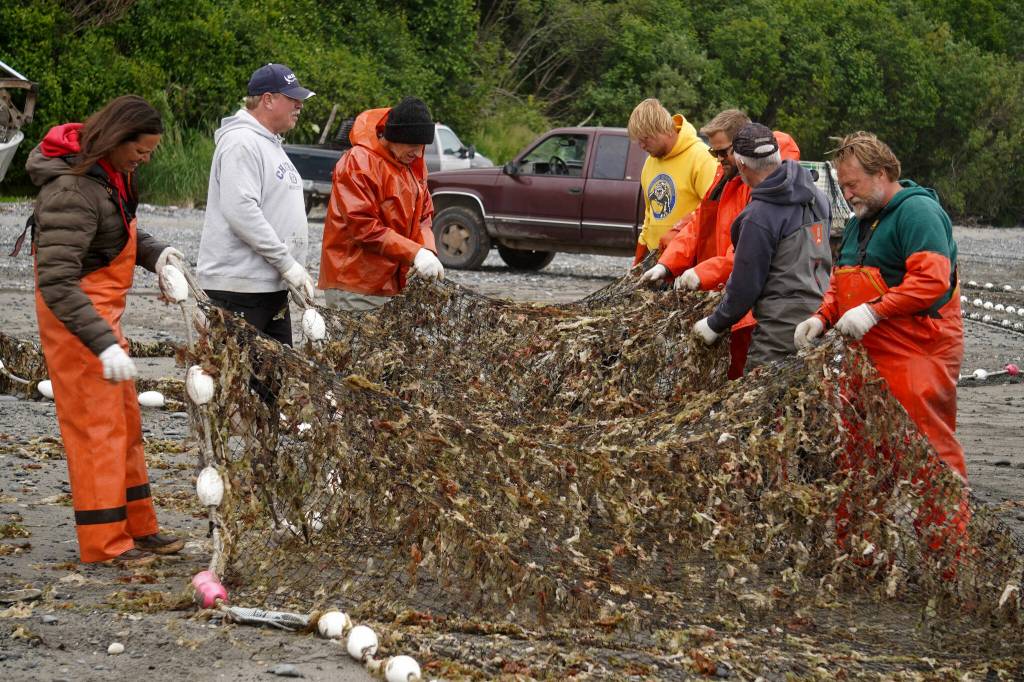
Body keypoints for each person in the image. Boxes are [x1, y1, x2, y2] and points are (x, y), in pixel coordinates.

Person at [27, 95, 185, 567]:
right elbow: (56, 281)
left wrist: (156, 254)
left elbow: (115, 232)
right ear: (116, 140)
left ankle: (139, 527)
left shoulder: (110, 177)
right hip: (76, 327)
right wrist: (100, 344)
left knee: (125, 426)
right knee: (96, 433)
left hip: (103, 323)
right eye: (141, 151)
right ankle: (105, 544)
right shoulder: (70, 192)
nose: (146, 159)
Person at [793, 131, 965, 481]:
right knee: (856, 453)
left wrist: (874, 311)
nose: (847, 194)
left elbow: (932, 281)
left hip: (919, 351)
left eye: (853, 185)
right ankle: (860, 534)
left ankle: (947, 536)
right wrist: (821, 317)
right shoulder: (858, 223)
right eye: (842, 187)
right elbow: (842, 283)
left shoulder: (918, 212)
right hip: (868, 356)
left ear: (883, 174)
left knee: (925, 453)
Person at [640, 109, 801, 377]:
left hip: (754, 310)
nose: (718, 159)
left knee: (747, 379)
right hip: (728, 301)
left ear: (743, 148)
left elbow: (744, 253)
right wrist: (667, 265)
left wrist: (700, 274)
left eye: (723, 152)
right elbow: (698, 224)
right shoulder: (726, 176)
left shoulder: (763, 186)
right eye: (714, 153)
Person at [691, 123, 831, 371]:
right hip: (819, 321)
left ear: (742, 165)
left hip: (778, 333)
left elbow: (745, 286)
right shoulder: (816, 197)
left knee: (764, 404)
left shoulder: (759, 216)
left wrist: (714, 323)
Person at [197, 63, 316, 346]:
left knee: (271, 385)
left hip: (269, 287)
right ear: (268, 99)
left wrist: (291, 269)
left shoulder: (269, 143)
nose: (299, 105)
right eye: (292, 98)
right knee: (233, 384)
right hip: (239, 287)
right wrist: (286, 263)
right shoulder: (241, 142)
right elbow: (241, 211)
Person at [318, 96, 443, 311]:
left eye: (422, 146)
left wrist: (427, 250)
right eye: (412, 145)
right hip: (355, 285)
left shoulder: (413, 165)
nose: (418, 152)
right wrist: (415, 253)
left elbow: (424, 216)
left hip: (394, 285)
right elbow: (364, 227)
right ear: (393, 136)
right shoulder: (359, 162)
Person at [626, 98, 718, 266]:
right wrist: (640, 254)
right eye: (638, 140)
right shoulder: (650, 163)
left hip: (690, 261)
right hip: (655, 259)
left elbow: (713, 208)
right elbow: (650, 214)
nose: (641, 145)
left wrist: (679, 230)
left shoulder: (701, 157)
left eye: (645, 139)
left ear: (665, 130)